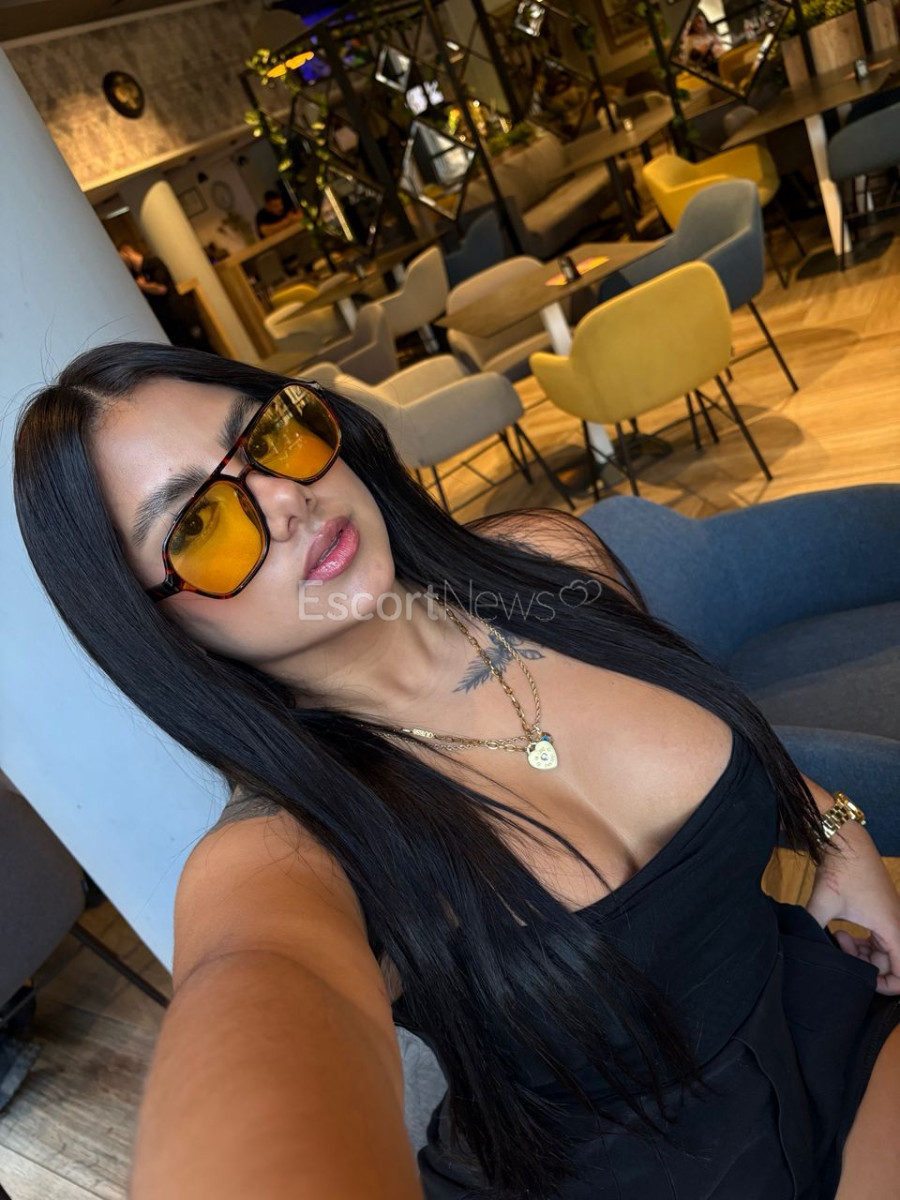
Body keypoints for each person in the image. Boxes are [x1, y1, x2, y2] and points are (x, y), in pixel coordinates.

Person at [12, 342, 900, 1200]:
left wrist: (829, 825)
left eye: (267, 436)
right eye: (198, 525)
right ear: (155, 624)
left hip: (824, 1025)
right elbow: (258, 982)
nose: (285, 498)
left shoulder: (549, 561)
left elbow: (706, 715)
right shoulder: (286, 850)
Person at [117, 244, 214, 353]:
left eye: (121, 258)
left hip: (179, 314)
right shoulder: (135, 275)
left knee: (203, 348)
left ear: (127, 253)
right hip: (168, 323)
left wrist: (143, 286)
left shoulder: (154, 263)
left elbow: (162, 289)